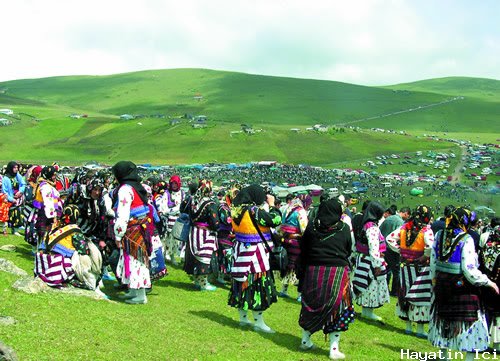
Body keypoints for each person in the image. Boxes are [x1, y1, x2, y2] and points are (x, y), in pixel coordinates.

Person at [429, 207, 499, 361]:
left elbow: (433, 262)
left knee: (444, 320)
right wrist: (488, 282)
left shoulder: (440, 235)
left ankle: (443, 356)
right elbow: (469, 270)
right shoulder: (466, 239)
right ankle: (468, 358)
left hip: (442, 284)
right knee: (472, 324)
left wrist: (434, 281)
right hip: (461, 287)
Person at [298, 198, 355, 360]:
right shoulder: (343, 228)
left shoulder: (311, 227)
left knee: (311, 304)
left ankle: (305, 340)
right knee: (337, 308)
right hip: (336, 272)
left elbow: (304, 248)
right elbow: (348, 248)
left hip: (313, 271)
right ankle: (333, 348)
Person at [228, 184, 282, 333]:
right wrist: (272, 205)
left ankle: (243, 319)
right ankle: (259, 322)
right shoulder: (254, 211)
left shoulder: (236, 209)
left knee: (241, 284)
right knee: (258, 287)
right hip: (255, 255)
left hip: (240, 252)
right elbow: (275, 220)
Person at [386, 205, 434, 337]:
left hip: (405, 266)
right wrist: (425, 255)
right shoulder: (426, 230)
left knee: (405, 294)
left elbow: (389, 238)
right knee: (419, 295)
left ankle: (408, 327)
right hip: (419, 268)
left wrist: (400, 250)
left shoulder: (404, 228)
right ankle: (419, 328)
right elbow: (430, 246)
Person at [111, 161, 152, 304]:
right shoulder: (135, 187)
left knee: (136, 261)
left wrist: (118, 234)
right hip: (140, 228)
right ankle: (133, 291)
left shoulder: (125, 189)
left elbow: (123, 214)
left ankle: (140, 296)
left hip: (132, 230)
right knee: (133, 260)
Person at [352, 201, 390, 321]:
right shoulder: (372, 227)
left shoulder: (366, 224)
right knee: (370, 285)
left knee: (366, 285)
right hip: (370, 261)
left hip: (364, 258)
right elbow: (374, 247)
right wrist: (377, 264)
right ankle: (367, 312)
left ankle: (366, 311)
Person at [183, 179, 219, 291]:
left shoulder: (194, 201)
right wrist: (216, 227)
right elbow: (215, 222)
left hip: (193, 232)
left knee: (196, 257)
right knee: (204, 258)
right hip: (205, 233)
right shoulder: (210, 203)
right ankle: (203, 284)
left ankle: (197, 281)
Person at [278, 194, 309, 300]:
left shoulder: (287, 208)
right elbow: (304, 228)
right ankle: (300, 295)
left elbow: (281, 224)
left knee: (287, 265)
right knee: (297, 266)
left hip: (285, 240)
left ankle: (283, 290)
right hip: (296, 241)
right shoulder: (301, 211)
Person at [479, 218, 500, 351]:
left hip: (486, 284)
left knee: (486, 313)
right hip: (497, 286)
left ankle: (483, 342)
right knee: (497, 315)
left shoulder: (487, 247)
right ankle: (497, 345)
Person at [380, 206, 411, 296]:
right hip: (392, 249)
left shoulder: (388, 218)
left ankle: (384, 289)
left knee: (386, 269)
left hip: (383, 247)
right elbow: (400, 237)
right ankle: (394, 291)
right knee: (396, 271)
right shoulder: (400, 222)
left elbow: (380, 230)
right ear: (406, 213)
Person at [32, 166, 63, 246]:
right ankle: (41, 250)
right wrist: (53, 216)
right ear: (48, 175)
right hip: (45, 214)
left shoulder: (48, 185)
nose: (54, 177)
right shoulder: (45, 186)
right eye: (53, 175)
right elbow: (48, 202)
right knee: (44, 233)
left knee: (46, 233)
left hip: (46, 212)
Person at [1, 161, 26, 236]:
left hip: (18, 197)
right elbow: (4, 191)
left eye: (17, 167)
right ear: (10, 168)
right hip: (10, 199)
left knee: (18, 214)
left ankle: (15, 230)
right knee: (10, 215)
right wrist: (12, 199)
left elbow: (23, 184)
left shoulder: (17, 175)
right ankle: (9, 229)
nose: (16, 169)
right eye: (14, 168)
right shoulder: (5, 178)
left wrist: (20, 192)